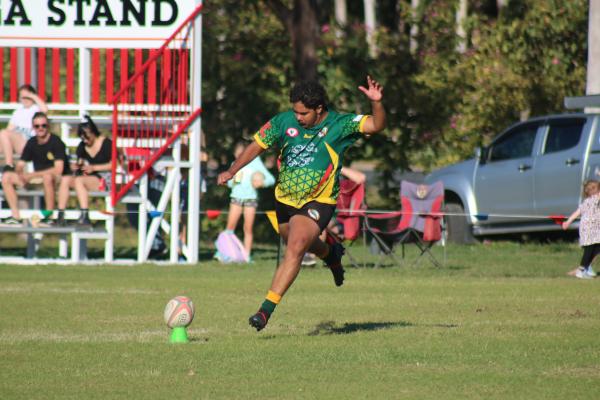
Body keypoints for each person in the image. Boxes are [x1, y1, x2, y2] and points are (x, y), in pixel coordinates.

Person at [217, 76, 386, 331]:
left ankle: (264, 311)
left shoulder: (339, 125)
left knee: (295, 247)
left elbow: (376, 125)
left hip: (319, 201)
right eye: (295, 111)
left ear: (319, 109)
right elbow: (256, 146)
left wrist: (377, 104)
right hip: (284, 200)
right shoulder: (283, 121)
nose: (297, 117)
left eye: (303, 113)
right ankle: (332, 253)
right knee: (296, 241)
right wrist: (232, 170)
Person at [1, 112, 70, 225]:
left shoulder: (56, 142)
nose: (40, 128)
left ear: (48, 126)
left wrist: (31, 175)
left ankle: (49, 215)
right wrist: (20, 174)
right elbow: (21, 164)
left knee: (47, 177)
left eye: (43, 125)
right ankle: (15, 216)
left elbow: (58, 169)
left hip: (55, 179)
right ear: (33, 127)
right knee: (7, 177)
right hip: (37, 178)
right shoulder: (32, 142)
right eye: (37, 126)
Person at [221, 141, 276, 260]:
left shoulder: (255, 162)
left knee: (248, 228)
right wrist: (232, 181)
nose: (239, 156)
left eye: (242, 153)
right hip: (236, 198)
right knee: (230, 228)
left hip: (250, 199)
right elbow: (230, 184)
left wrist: (262, 183)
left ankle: (246, 256)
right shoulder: (234, 164)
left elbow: (271, 179)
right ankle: (225, 253)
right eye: (237, 154)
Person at [57, 116, 112, 227]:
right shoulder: (82, 146)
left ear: (93, 132)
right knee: (66, 179)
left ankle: (85, 216)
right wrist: (76, 167)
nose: (85, 140)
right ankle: (60, 215)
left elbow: (114, 165)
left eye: (87, 137)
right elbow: (79, 162)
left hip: (106, 177)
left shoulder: (106, 143)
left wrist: (94, 168)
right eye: (82, 138)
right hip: (89, 178)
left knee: (79, 181)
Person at [0, 84, 48, 171]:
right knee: (3, 134)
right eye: (22, 97)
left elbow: (45, 110)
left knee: (4, 133)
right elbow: (9, 129)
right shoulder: (18, 111)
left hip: (28, 142)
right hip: (16, 141)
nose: (25, 99)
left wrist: (32, 96)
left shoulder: (36, 109)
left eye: (27, 97)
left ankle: (9, 165)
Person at [562, 180, 600, 279]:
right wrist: (568, 222)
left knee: (597, 249)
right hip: (588, 229)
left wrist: (568, 222)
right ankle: (581, 270)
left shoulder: (592, 200)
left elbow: (577, 212)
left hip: (596, 230)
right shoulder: (593, 199)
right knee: (589, 250)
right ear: (591, 191)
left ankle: (586, 268)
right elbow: (578, 212)